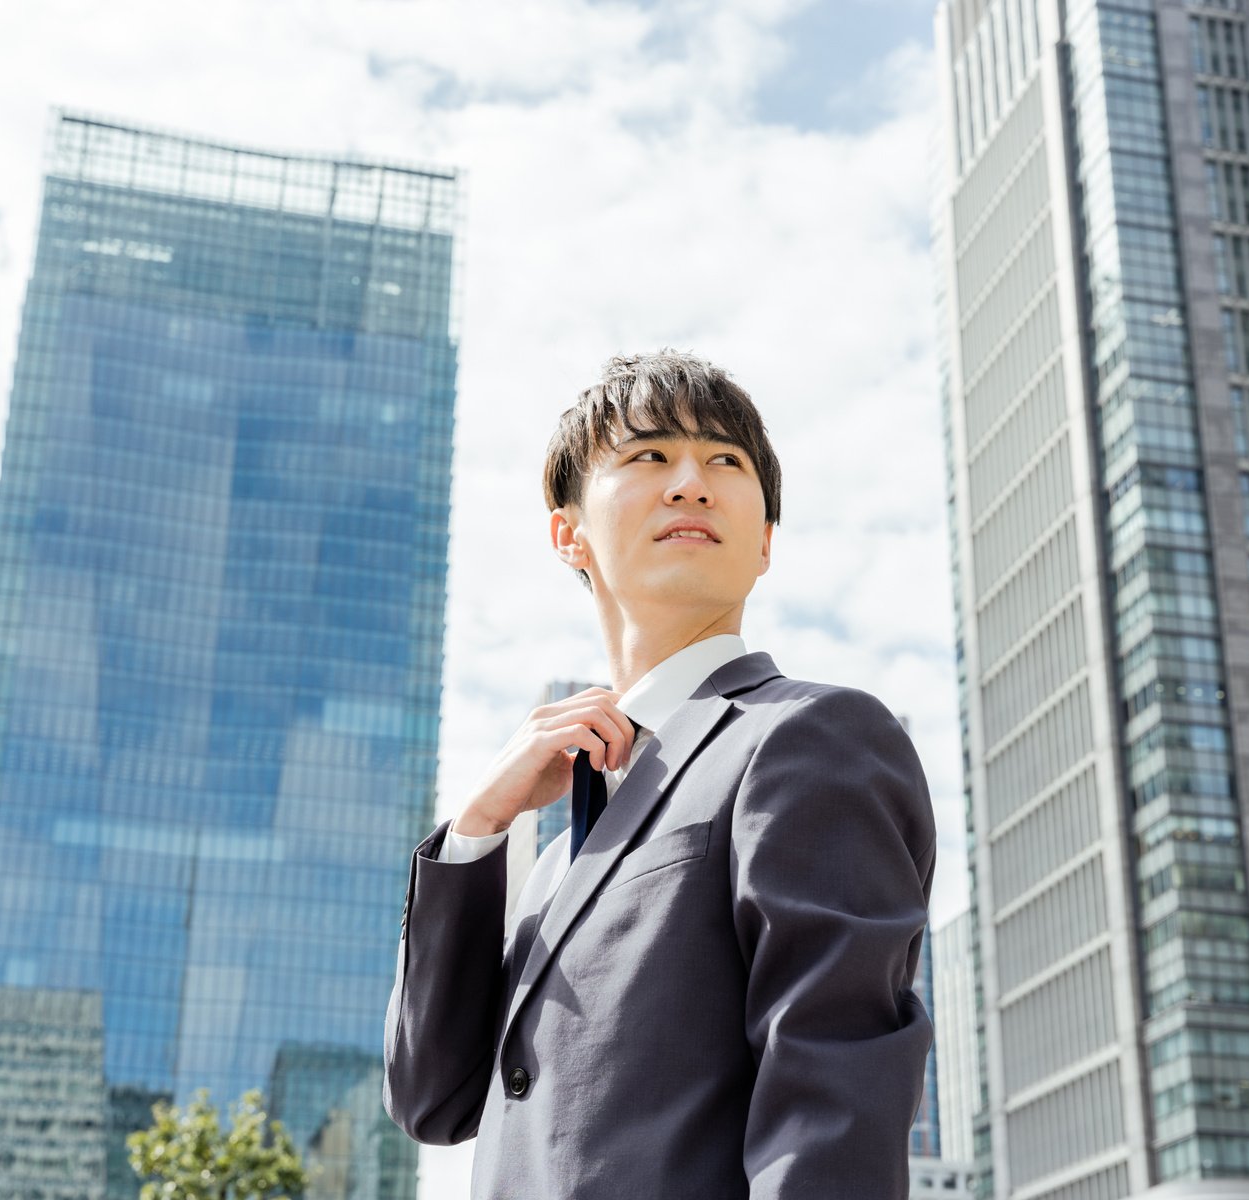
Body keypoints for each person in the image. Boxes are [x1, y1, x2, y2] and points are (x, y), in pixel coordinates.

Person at [384, 349, 936, 1198]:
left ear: (764, 543)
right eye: (649, 456)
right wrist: (476, 830)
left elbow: (835, 1096)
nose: (692, 482)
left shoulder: (808, 736)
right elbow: (434, 1099)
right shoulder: (565, 848)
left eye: (726, 461)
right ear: (569, 533)